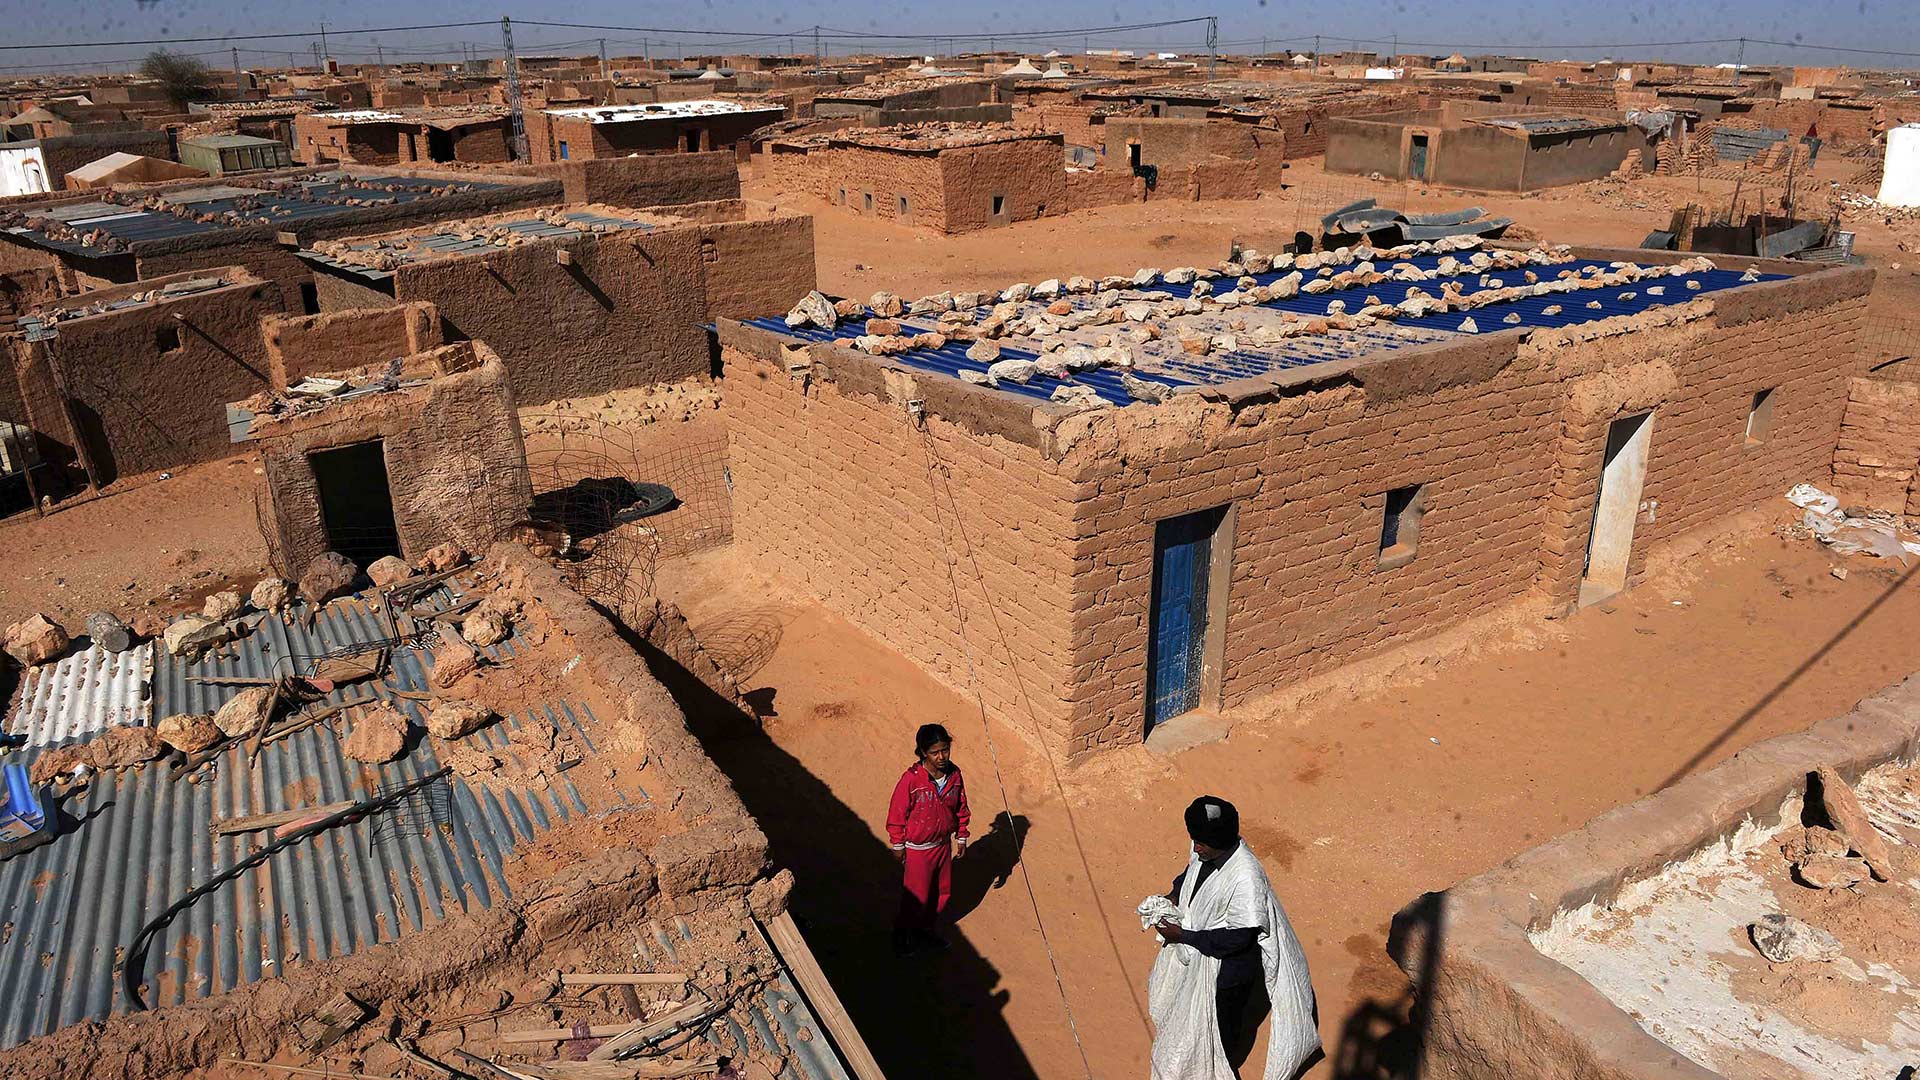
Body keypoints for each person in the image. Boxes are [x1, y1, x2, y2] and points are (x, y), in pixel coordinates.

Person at [1148, 796, 1319, 1080]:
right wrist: (1175, 894)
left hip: (1229, 972)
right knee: (1188, 1019)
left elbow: (1238, 938)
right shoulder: (1206, 849)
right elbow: (1191, 873)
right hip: (1201, 953)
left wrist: (1183, 936)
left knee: (1220, 1025)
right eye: (1194, 840)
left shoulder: (1246, 877)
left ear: (1221, 842)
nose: (1195, 847)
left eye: (1201, 843)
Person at [886, 723, 970, 954]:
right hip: (919, 849)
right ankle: (902, 935)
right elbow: (897, 813)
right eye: (935, 752)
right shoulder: (911, 780)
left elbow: (961, 807)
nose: (941, 756)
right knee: (917, 896)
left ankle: (926, 931)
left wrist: (961, 836)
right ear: (923, 752)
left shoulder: (955, 775)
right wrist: (898, 844)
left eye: (945, 750)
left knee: (941, 893)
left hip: (942, 845)